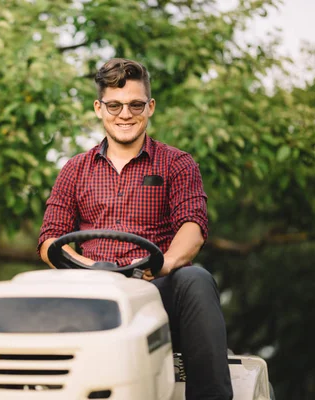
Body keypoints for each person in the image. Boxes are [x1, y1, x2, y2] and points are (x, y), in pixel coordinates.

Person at [37, 58, 233, 400]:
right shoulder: (74, 169)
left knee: (196, 279)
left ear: (150, 107)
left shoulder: (177, 163)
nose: (124, 114)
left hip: (153, 286)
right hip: (91, 290)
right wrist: (84, 268)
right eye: (114, 105)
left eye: (135, 105)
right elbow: (49, 239)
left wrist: (165, 264)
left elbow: (193, 225)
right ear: (99, 108)